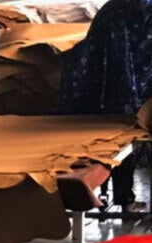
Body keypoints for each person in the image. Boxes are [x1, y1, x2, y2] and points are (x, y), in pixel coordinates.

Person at [57, 0, 152, 212]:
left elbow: (90, 52)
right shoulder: (143, 12)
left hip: (107, 93)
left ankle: (121, 197)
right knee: (129, 134)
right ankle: (124, 198)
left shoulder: (112, 10)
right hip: (134, 94)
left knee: (116, 138)